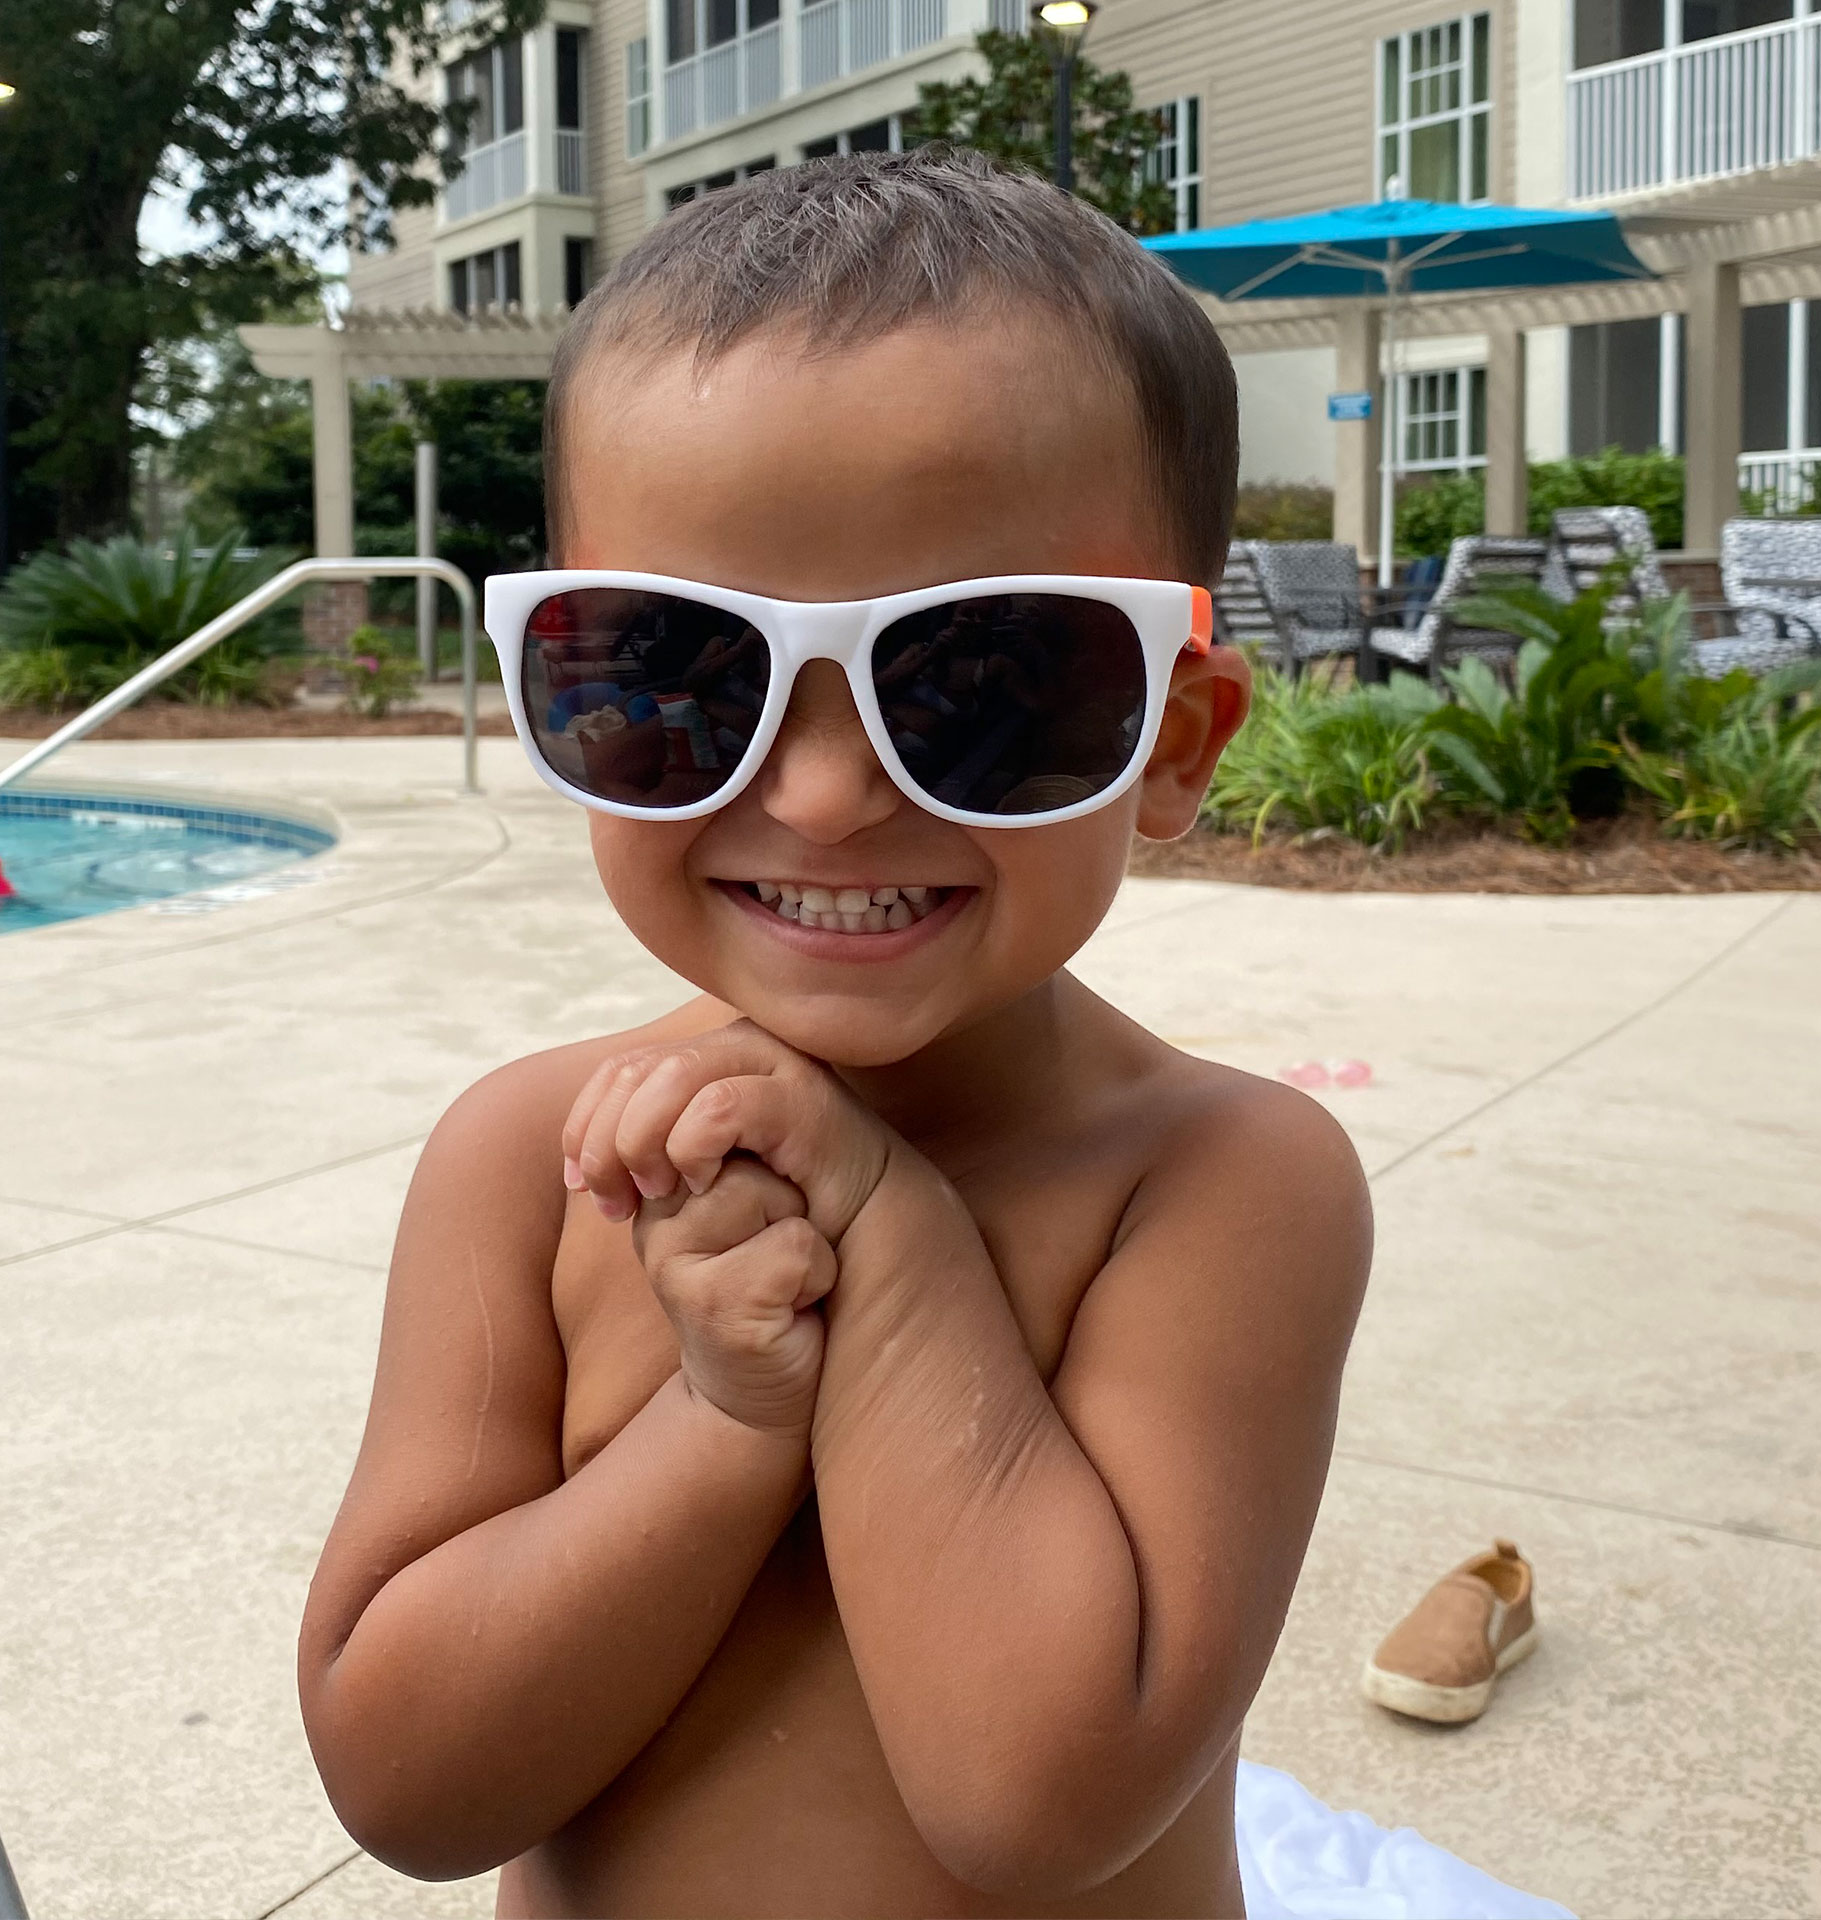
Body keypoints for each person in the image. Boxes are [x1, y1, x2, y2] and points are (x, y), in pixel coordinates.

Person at [299, 151, 1374, 1916]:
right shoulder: (524, 1165)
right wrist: (721, 1426)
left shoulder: (1222, 1190)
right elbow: (405, 1781)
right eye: (674, 673)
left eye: (982, 684)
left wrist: (878, 1235)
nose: (817, 796)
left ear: (1174, 739)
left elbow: (1037, 1799)